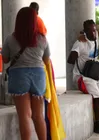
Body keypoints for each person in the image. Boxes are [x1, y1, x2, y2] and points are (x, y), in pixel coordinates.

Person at [2, 7, 50, 140]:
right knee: (38, 115)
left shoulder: (11, 39)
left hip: (18, 75)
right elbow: (46, 60)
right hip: (38, 75)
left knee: (24, 116)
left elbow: (5, 59)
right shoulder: (42, 39)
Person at [67, 20, 99, 133]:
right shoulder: (80, 43)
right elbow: (70, 60)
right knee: (98, 97)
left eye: (94, 30)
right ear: (85, 31)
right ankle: (97, 123)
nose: (93, 32)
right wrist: (76, 53)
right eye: (90, 30)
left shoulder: (96, 39)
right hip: (82, 77)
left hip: (93, 73)